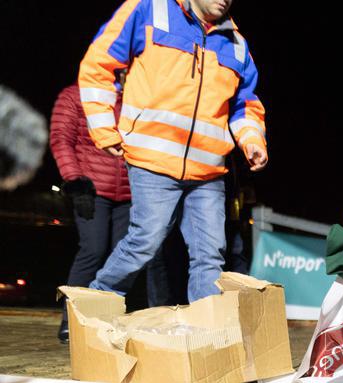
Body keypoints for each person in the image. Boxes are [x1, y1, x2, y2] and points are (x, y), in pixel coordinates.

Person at [78, 0, 267, 304]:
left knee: (211, 255)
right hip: (153, 160)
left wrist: (252, 140)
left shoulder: (237, 44)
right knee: (145, 241)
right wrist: (103, 127)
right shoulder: (148, 10)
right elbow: (97, 66)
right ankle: (96, 302)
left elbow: (244, 104)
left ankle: (205, 332)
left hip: (208, 171)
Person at [50, 81, 131, 341]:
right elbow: (61, 139)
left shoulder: (133, 96)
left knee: (124, 257)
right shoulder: (74, 95)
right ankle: (70, 320)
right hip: (91, 189)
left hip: (130, 192)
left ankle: (108, 320)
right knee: (93, 250)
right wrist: (75, 180)